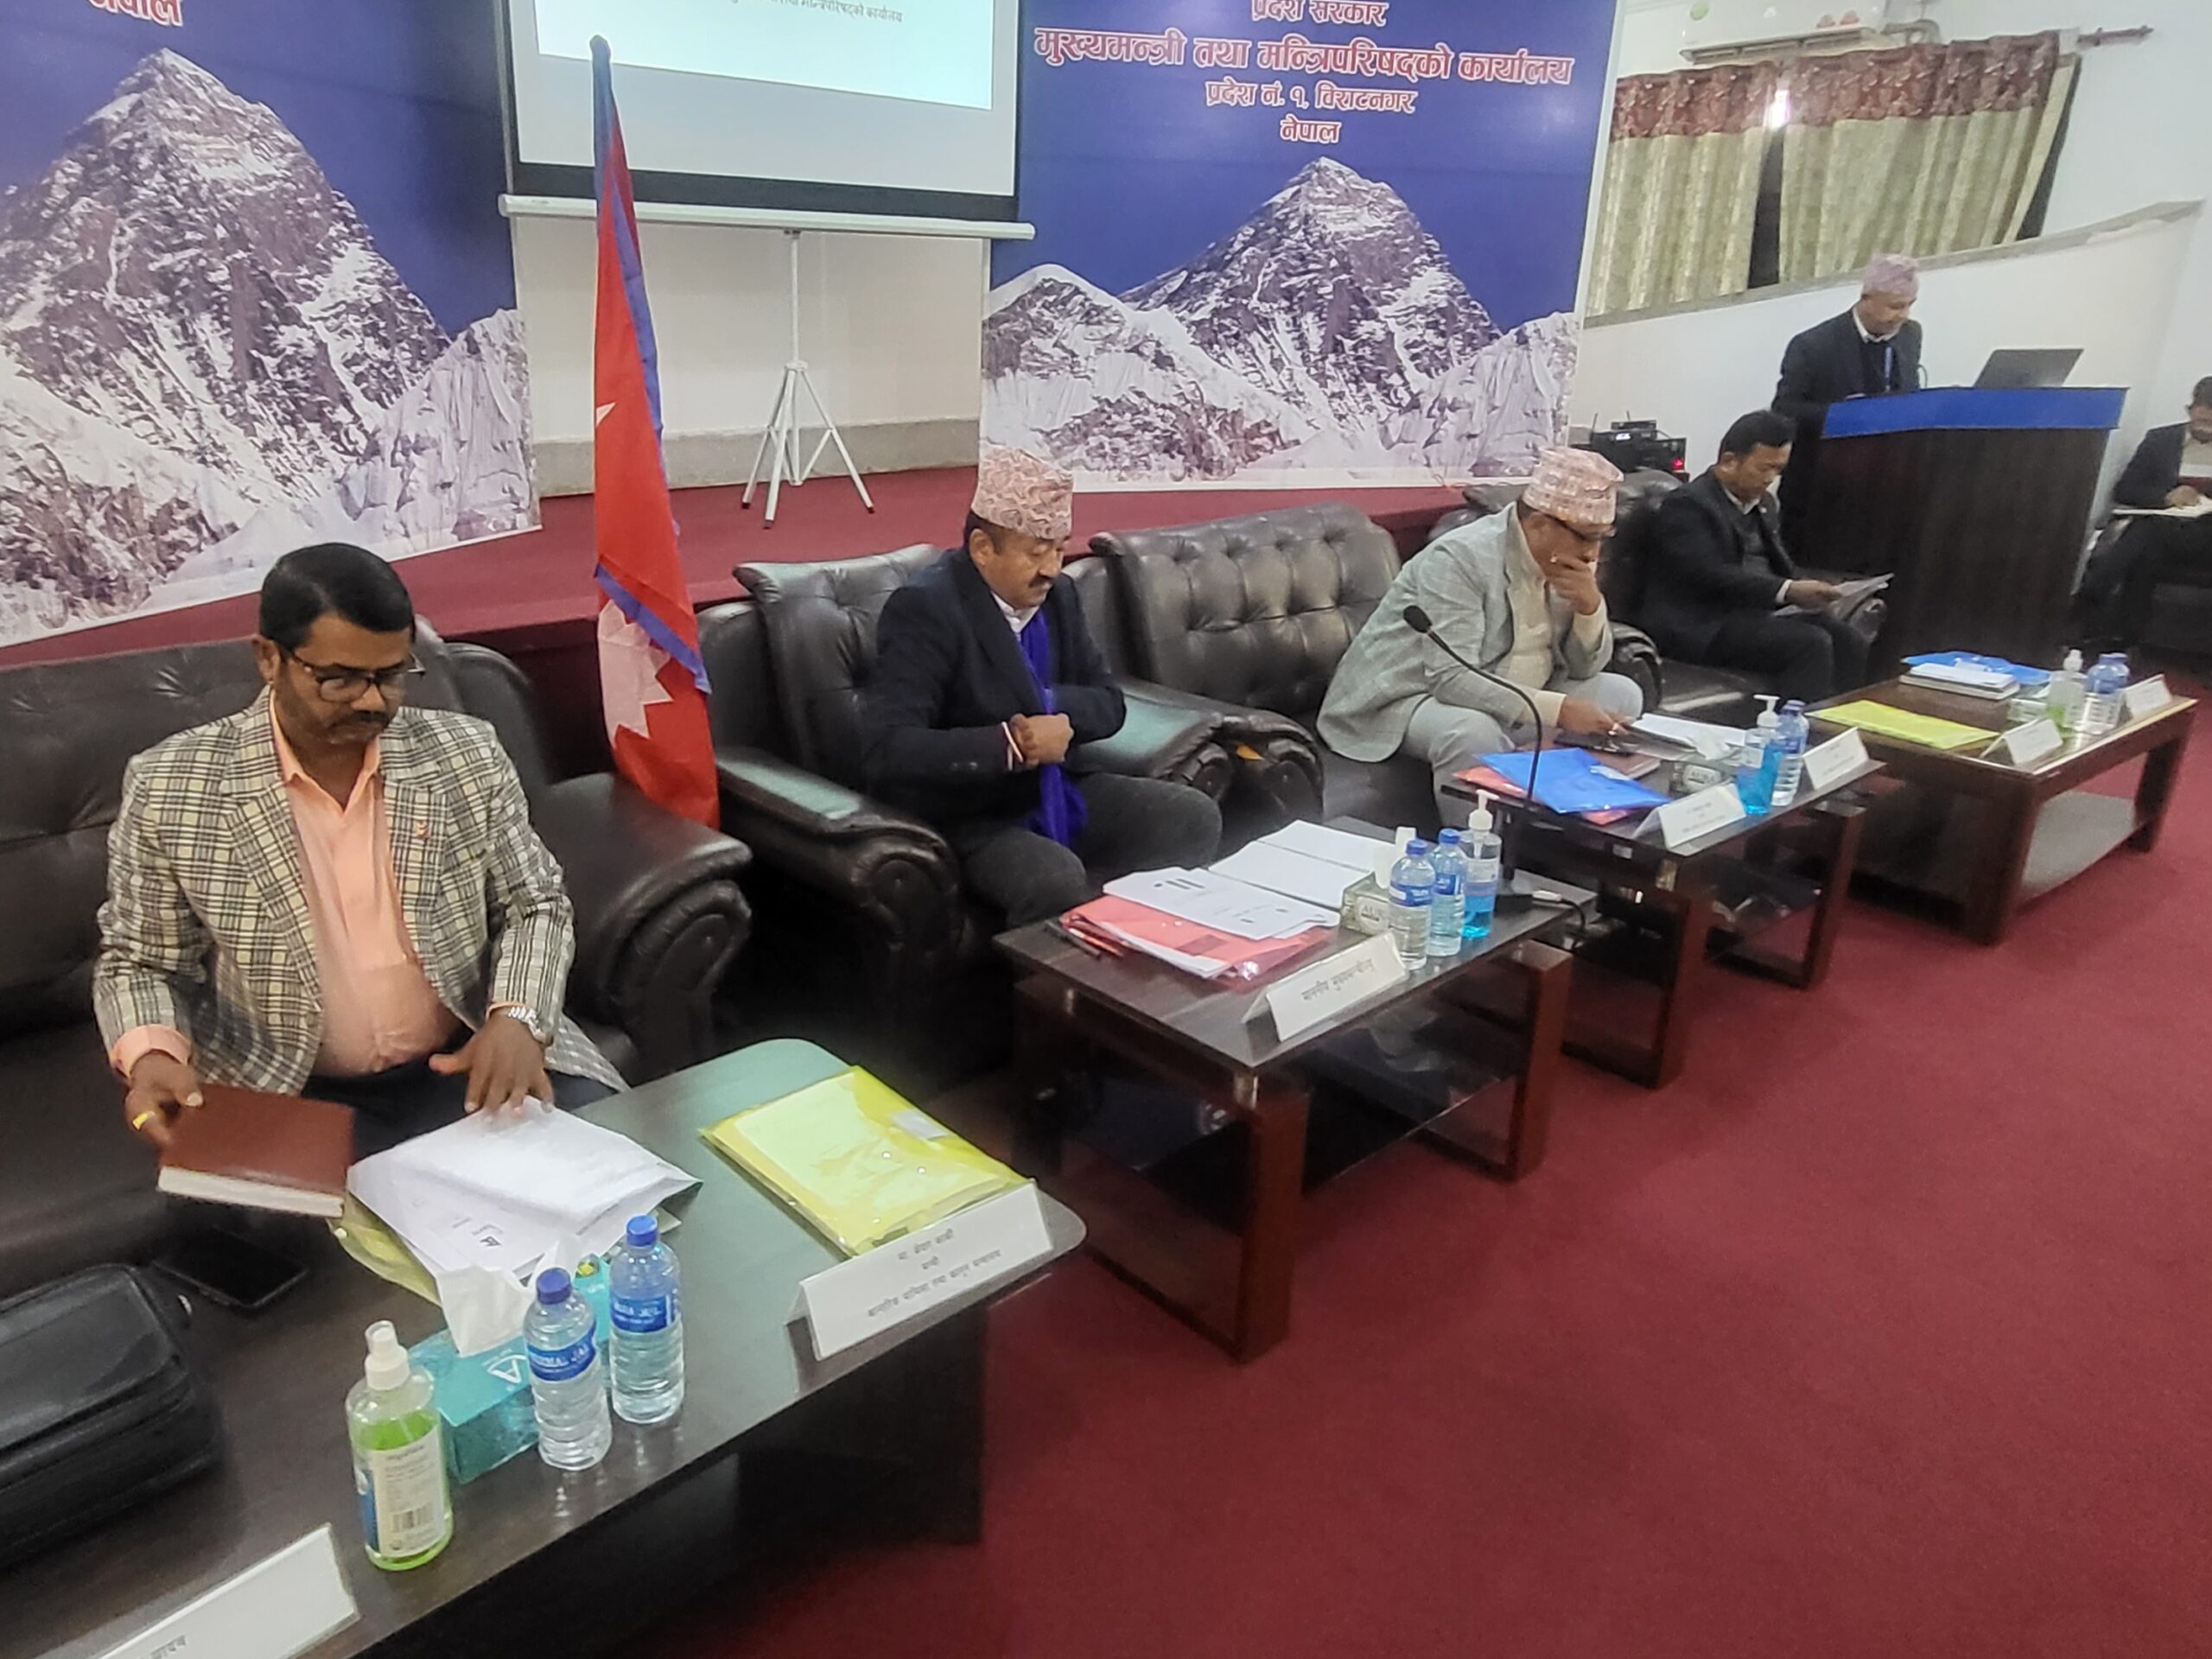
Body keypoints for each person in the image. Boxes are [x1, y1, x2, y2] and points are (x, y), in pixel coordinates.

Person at [98, 543, 620, 1157]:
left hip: (470, 1055)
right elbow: (141, 961)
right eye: (340, 679)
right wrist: (153, 1054)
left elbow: (535, 903)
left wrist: (518, 1016)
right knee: (288, 1224)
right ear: (269, 658)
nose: (372, 701)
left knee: (614, 1180)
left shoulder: (464, 753)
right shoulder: (174, 787)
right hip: (288, 1090)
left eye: (391, 676)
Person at [862, 446, 1221, 928]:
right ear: (983, 549)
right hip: (970, 811)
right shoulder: (926, 609)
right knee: (1054, 879)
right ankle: (1052, 978)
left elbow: (1108, 702)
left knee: (1191, 816)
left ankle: (1148, 952)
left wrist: (1052, 708)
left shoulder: (1059, 595)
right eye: (1036, 553)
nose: (1052, 567)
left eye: (1058, 548)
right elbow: (888, 748)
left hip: (1055, 788)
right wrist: (1014, 744)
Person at [1319, 446, 1645, 821]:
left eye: (1602, 537)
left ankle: (1571, 830)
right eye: (1586, 537)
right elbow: (1452, 679)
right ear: (1541, 524)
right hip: (1410, 695)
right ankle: (1479, 848)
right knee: (1471, 731)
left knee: (1620, 694)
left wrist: (1589, 608)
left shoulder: (1569, 562)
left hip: (1516, 690)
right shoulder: (1461, 558)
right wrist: (1560, 710)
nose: (1593, 553)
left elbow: (1584, 668)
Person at [1640, 409, 1870, 703]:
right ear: (1729, 461)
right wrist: (1787, 590)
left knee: (1849, 639)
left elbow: (1776, 564)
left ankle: (1840, 722)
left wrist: (1811, 593)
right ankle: (1796, 729)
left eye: (1778, 470)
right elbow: (1706, 574)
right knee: (1810, 644)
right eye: (1764, 469)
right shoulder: (1688, 504)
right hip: (1701, 623)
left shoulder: (1764, 505)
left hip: (1752, 615)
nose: (1770, 479)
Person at [1774, 252, 1927, 551]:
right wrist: (1846, 416)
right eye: (1895, 306)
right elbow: (1784, 409)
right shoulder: (1812, 345)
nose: (1903, 315)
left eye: (1910, 305)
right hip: (1821, 485)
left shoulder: (1910, 334)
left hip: (1885, 483)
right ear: (1866, 298)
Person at [2075, 377, 2212, 648]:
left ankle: (2089, 598)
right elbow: (2125, 489)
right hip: (2166, 527)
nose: (2207, 424)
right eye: (2203, 417)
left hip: (2206, 536)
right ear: (2189, 410)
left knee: (2146, 532)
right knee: (2148, 546)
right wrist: (2166, 497)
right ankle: (2127, 638)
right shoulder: (2160, 440)